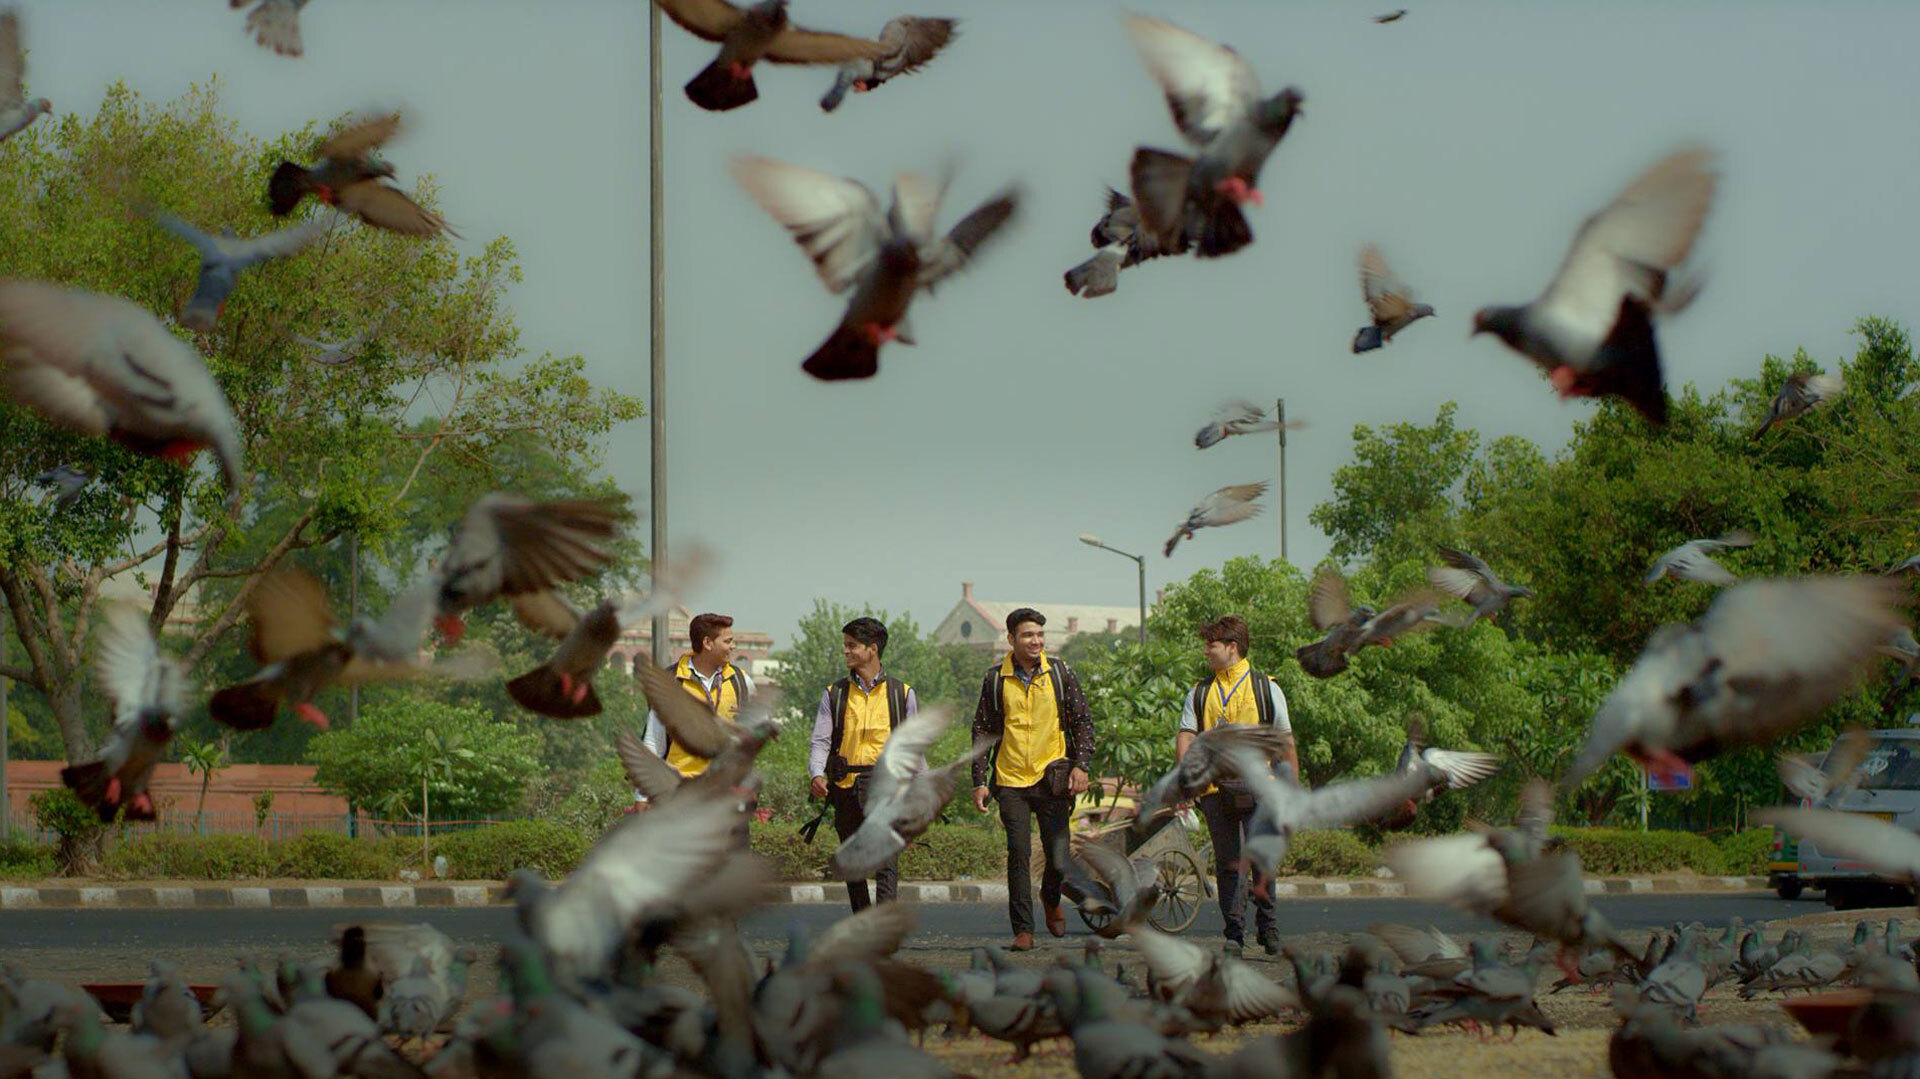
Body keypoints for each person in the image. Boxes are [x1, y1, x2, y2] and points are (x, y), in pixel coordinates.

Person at [970, 608, 1095, 951]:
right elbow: (982, 731)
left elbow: (1083, 721)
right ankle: (1023, 929)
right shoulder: (996, 679)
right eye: (1028, 635)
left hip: (1051, 777)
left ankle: (1050, 895)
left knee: (1058, 857)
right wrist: (980, 780)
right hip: (1010, 780)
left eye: (1040, 634)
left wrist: (1081, 766)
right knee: (1018, 853)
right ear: (1011, 640)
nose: (1036, 641)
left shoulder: (1061, 673)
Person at [1178, 614, 1295, 957]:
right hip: (1215, 791)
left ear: (1231, 647)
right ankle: (1233, 934)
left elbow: (1285, 740)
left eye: (1210, 645)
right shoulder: (1200, 692)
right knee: (1229, 862)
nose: (1205, 651)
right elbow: (1187, 734)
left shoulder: (1266, 688)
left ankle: (1268, 926)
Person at [807, 616, 917, 911]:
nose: (845, 651)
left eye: (851, 646)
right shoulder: (834, 693)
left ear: (872, 649)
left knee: (885, 863)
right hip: (844, 788)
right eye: (845, 645)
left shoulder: (901, 693)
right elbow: (821, 740)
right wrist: (817, 773)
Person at [639, 614, 756, 833]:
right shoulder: (672, 682)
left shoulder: (741, 682)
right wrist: (643, 795)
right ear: (707, 643)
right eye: (728, 641)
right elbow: (654, 741)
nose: (733, 646)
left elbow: (753, 736)